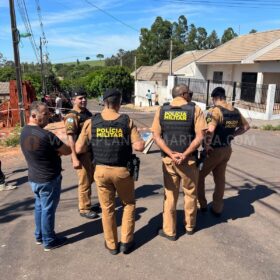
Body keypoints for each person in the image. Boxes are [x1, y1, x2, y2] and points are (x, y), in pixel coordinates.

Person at [76, 88, 145, 255]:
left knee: (107, 208)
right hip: (122, 171)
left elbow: (79, 148)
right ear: (119, 103)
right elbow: (139, 146)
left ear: (103, 102)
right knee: (128, 204)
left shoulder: (91, 122)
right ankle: (126, 243)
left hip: (100, 171)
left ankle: (112, 245)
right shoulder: (126, 121)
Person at [151, 84, 207, 240]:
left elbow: (156, 136)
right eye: (190, 93)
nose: (191, 95)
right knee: (190, 193)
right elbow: (200, 137)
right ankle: (190, 226)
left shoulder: (161, 110)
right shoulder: (195, 110)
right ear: (184, 94)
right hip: (188, 161)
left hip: (169, 161)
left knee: (170, 195)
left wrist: (171, 154)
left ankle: (170, 231)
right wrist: (184, 154)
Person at [20, 101, 71, 251]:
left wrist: (53, 151)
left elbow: (38, 151)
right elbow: (67, 150)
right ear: (34, 115)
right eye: (45, 114)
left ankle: (40, 235)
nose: (49, 117)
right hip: (48, 179)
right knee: (47, 209)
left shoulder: (24, 131)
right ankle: (49, 240)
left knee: (40, 207)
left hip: (34, 178)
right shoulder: (46, 135)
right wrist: (58, 151)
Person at [197, 87, 250, 216]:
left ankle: (202, 205)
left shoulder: (215, 111)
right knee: (220, 179)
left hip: (213, 150)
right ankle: (217, 208)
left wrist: (207, 145)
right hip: (227, 149)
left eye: (213, 99)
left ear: (215, 98)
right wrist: (233, 135)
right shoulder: (235, 111)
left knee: (198, 176)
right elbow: (246, 127)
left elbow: (210, 130)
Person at [64, 89, 99, 219]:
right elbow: (70, 139)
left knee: (91, 179)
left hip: (91, 152)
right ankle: (84, 208)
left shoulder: (87, 113)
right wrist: (74, 158)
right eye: (80, 98)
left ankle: (87, 204)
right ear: (73, 100)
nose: (83, 100)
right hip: (81, 155)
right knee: (84, 182)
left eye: (84, 97)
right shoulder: (71, 117)